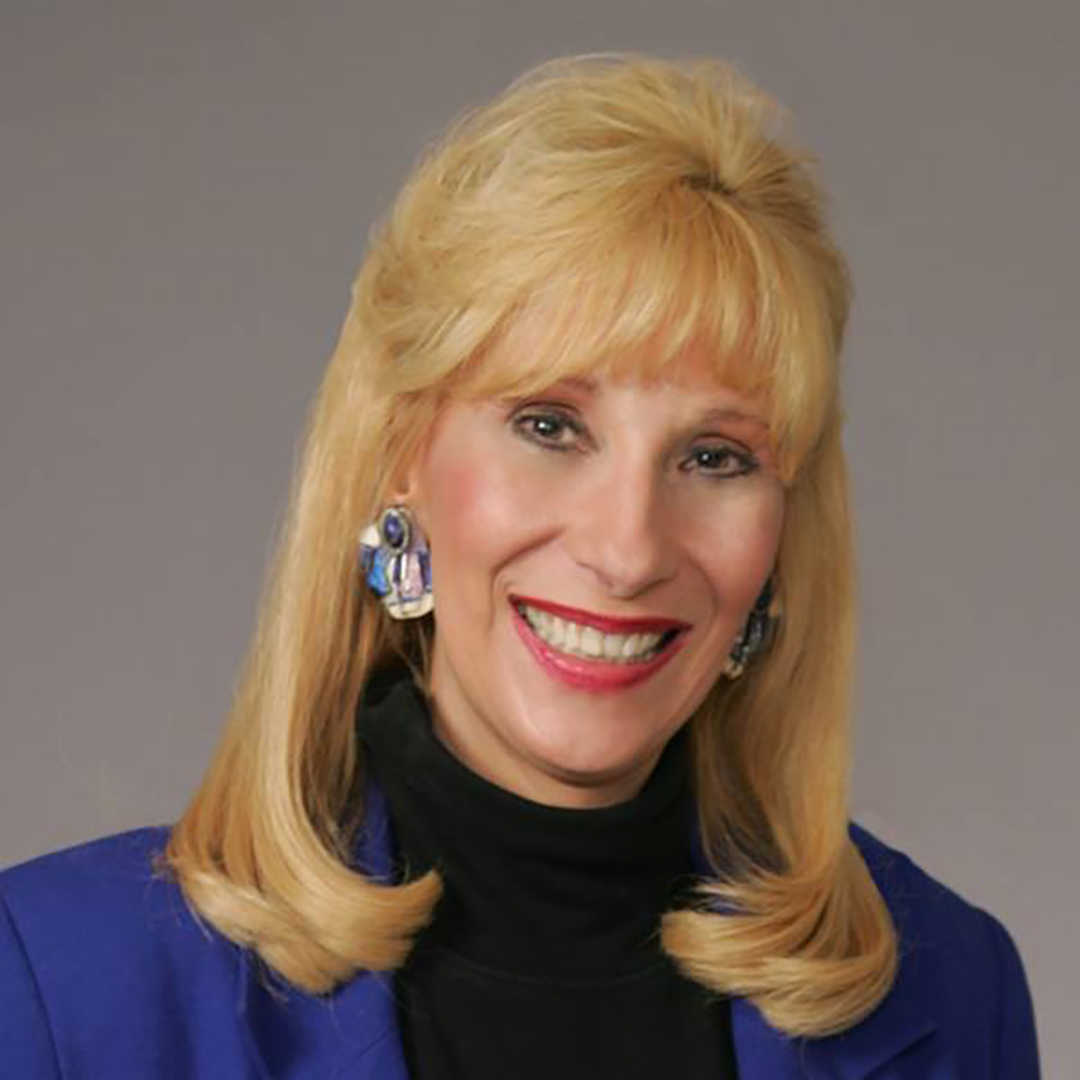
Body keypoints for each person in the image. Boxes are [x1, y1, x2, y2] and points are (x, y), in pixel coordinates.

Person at [0, 54, 1039, 1079]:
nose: (628, 551)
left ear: (783, 530)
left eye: (715, 457)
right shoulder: (59, 985)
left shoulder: (950, 991)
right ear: (403, 455)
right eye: (550, 425)